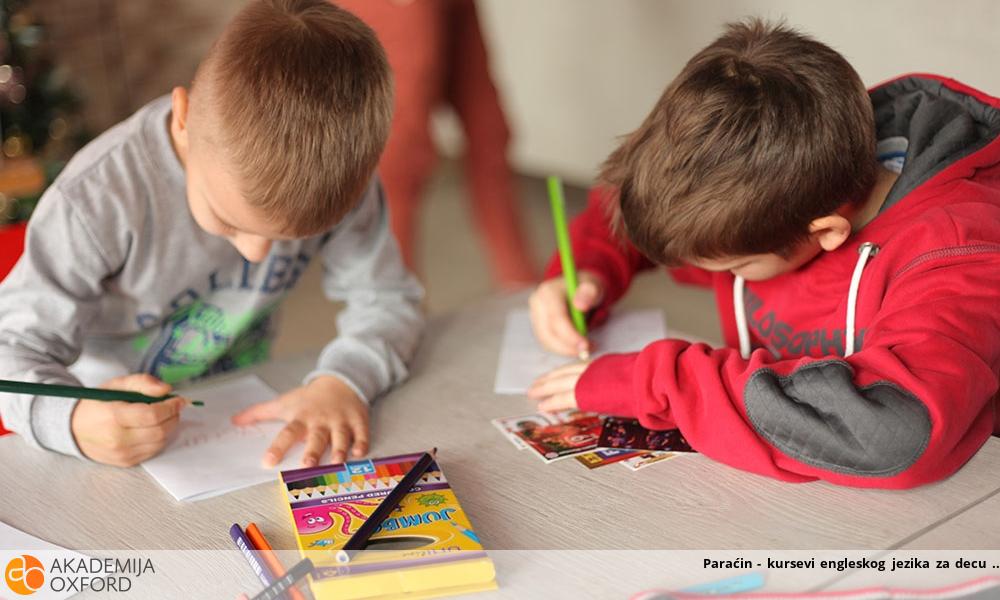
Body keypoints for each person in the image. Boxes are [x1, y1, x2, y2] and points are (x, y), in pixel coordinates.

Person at [527, 19, 1000, 488]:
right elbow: (656, 215)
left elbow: (891, 436)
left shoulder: (957, 256)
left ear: (827, 233)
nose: (716, 272)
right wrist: (592, 267)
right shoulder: (788, 183)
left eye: (736, 267)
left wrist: (660, 384)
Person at [0, 0, 423, 468]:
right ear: (183, 120)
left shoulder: (340, 176)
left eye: (290, 239)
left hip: (237, 411)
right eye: (229, 222)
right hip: (110, 438)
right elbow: (10, 354)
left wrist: (344, 382)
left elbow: (387, 300)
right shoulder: (95, 200)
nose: (257, 254)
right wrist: (75, 420)